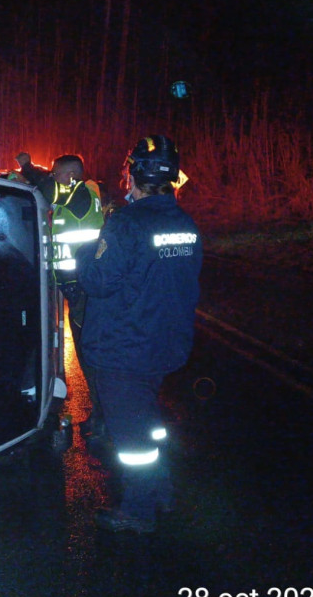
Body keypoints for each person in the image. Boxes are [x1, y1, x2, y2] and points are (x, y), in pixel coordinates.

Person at [74, 134, 201, 534]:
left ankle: (138, 510)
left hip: (123, 349)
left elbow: (98, 282)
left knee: (131, 438)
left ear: (133, 175)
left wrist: (84, 257)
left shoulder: (125, 224)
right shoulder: (184, 222)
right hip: (164, 343)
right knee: (145, 420)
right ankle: (159, 490)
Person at [15, 151, 104, 363]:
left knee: (87, 342)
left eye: (57, 174)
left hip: (82, 281)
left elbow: (48, 188)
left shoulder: (80, 194)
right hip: (77, 280)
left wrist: (28, 166)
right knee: (83, 335)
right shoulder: (75, 198)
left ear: (72, 175)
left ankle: (99, 390)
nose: (53, 177)